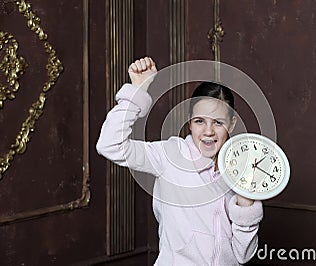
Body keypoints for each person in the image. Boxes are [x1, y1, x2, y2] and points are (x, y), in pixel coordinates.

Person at [96, 57, 263, 265]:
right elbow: (109, 144)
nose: (208, 132)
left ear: (231, 123)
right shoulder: (170, 155)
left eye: (218, 122)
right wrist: (138, 91)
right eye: (200, 121)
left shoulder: (238, 169)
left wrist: (245, 203)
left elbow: (243, 255)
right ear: (189, 121)